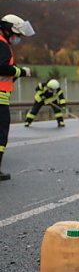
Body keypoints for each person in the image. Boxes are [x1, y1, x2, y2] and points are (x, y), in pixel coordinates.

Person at [0, 14, 36, 181]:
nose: (18, 38)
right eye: (17, 34)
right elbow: (3, 69)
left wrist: (16, 71)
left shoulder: (3, 44)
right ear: (8, 30)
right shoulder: (2, 45)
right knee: (1, 134)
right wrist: (21, 71)